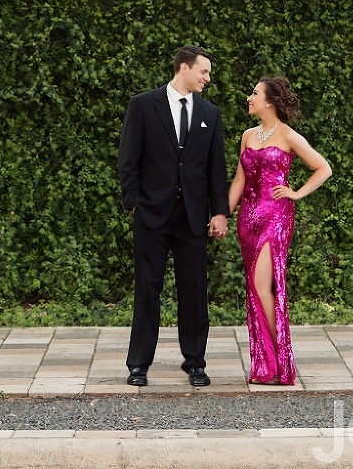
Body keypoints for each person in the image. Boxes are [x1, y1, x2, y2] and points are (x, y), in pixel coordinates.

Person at [117, 45, 230, 388]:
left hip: (193, 218)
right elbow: (128, 159)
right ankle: (138, 365)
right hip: (152, 214)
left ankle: (195, 363)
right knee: (147, 290)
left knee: (194, 291)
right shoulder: (142, 105)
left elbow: (215, 169)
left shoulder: (210, 113)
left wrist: (220, 211)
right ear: (184, 67)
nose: (208, 78)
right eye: (204, 71)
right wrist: (135, 201)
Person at [228, 76, 331, 386]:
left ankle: (280, 362)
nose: (249, 97)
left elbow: (323, 168)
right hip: (247, 219)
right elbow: (238, 181)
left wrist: (296, 193)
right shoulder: (248, 135)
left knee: (264, 287)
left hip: (275, 217)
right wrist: (222, 214)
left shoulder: (288, 135)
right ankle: (267, 366)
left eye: (255, 93)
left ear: (269, 101)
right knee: (257, 291)